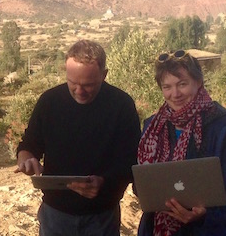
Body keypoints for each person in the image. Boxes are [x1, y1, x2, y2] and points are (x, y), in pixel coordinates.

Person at [14, 39, 142, 236]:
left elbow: (131, 161)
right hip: (55, 215)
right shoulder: (49, 101)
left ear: (104, 75)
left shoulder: (122, 105)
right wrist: (26, 158)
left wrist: (104, 182)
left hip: (102, 216)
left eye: (88, 85)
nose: (79, 91)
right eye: (72, 83)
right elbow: (29, 144)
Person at [136, 50, 226, 236]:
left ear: (198, 82)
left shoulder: (224, 127)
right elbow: (142, 184)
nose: (175, 94)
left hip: (212, 230)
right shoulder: (152, 127)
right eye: (167, 87)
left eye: (182, 84)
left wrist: (206, 214)